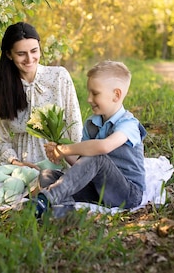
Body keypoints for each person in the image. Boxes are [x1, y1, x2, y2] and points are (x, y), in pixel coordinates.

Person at [34, 60, 147, 218]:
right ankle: (62, 212)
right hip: (97, 189)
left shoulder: (129, 124)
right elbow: (83, 164)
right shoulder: (91, 124)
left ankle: (46, 199)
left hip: (127, 193)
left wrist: (66, 149)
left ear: (116, 95)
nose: (88, 99)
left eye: (95, 93)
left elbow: (104, 147)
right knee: (48, 174)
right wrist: (61, 152)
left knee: (98, 158)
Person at [0, 22, 83, 167]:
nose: (29, 58)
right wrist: (16, 163)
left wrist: (78, 162)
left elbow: (74, 124)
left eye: (34, 51)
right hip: (22, 163)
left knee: (53, 188)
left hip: (59, 159)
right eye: (21, 54)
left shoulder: (59, 76)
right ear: (9, 54)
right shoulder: (5, 88)